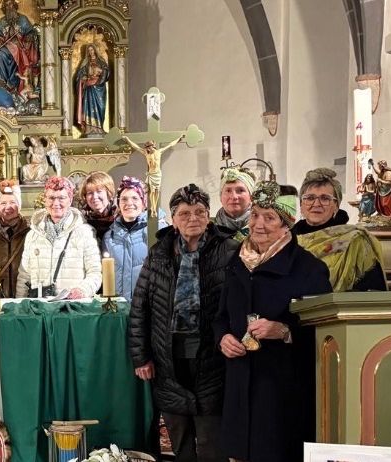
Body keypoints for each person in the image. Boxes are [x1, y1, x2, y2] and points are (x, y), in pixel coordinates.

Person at [215, 180, 332, 462]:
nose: (258, 224)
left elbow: (325, 333)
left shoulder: (309, 268)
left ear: (286, 224)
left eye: (269, 218)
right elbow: (220, 317)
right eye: (255, 215)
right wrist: (223, 338)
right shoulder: (236, 262)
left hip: (281, 388)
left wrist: (283, 330)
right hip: (240, 384)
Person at [128, 184, 240, 462]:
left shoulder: (230, 250)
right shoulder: (159, 253)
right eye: (185, 213)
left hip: (213, 356)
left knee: (212, 440)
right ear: (173, 219)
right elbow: (140, 306)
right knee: (179, 441)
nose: (193, 218)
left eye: (200, 212)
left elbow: (241, 303)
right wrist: (141, 356)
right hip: (169, 358)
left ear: (209, 215)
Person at [291, 168, 386, 292]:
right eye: (310, 198)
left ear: (336, 205)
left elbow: (372, 291)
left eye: (325, 198)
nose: (316, 204)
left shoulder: (356, 241)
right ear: (301, 204)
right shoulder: (286, 240)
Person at [16, 176, 102, 299]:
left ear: (70, 200)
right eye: (51, 198)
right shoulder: (32, 235)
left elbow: (95, 273)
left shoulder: (84, 233)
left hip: (72, 307)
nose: (56, 203)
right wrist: (21, 306)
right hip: (39, 308)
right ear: (45, 199)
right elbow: (24, 276)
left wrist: (82, 290)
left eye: (61, 198)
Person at [104, 176, 150, 302]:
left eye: (135, 198)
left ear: (143, 202)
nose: (129, 203)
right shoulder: (110, 236)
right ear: (118, 203)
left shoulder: (154, 229)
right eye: (124, 199)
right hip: (118, 305)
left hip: (145, 304)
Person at [0, 180, 30, 298]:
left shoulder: (29, 233)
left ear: (19, 205)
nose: (8, 207)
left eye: (12, 202)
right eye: (3, 203)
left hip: (24, 296)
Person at [123, 136, 183, 217]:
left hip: (157, 174)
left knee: (157, 191)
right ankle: (153, 208)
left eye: (149, 147)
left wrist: (178, 139)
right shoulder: (146, 154)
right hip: (151, 174)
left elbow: (170, 145)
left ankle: (155, 207)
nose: (148, 149)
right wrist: (127, 139)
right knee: (152, 191)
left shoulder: (159, 152)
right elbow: (136, 147)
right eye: (147, 148)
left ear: (152, 146)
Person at [0, 0, 38, 93]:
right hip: (6, 46)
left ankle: (5, 83)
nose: (9, 7)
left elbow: (31, 32)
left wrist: (28, 37)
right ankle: (0, 80)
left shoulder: (23, 19)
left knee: (0, 55)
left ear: (15, 5)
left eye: (10, 4)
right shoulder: (2, 21)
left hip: (19, 48)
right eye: (6, 5)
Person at [75, 44, 110, 137]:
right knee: (89, 107)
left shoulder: (101, 61)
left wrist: (100, 77)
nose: (91, 52)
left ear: (95, 50)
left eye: (92, 50)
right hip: (89, 88)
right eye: (89, 50)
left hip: (99, 88)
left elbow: (107, 73)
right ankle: (89, 129)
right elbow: (79, 76)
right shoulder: (85, 63)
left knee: (100, 108)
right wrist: (85, 79)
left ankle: (99, 128)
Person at [214, 168, 255, 242]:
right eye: (228, 191)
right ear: (220, 197)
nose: (234, 197)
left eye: (240, 190)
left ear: (251, 197)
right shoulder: (209, 230)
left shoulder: (264, 229)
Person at [80, 171, 116, 250]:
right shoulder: (81, 220)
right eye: (90, 193)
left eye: (99, 191)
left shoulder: (120, 216)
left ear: (108, 193)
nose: (95, 196)